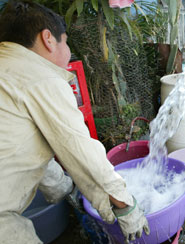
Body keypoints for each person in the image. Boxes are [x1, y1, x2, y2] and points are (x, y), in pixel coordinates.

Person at [0, 1, 149, 243]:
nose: (67, 48)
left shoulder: (9, 69)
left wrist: (67, 189)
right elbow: (82, 150)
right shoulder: (41, 78)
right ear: (48, 38)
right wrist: (126, 206)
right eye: (66, 41)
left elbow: (19, 152)